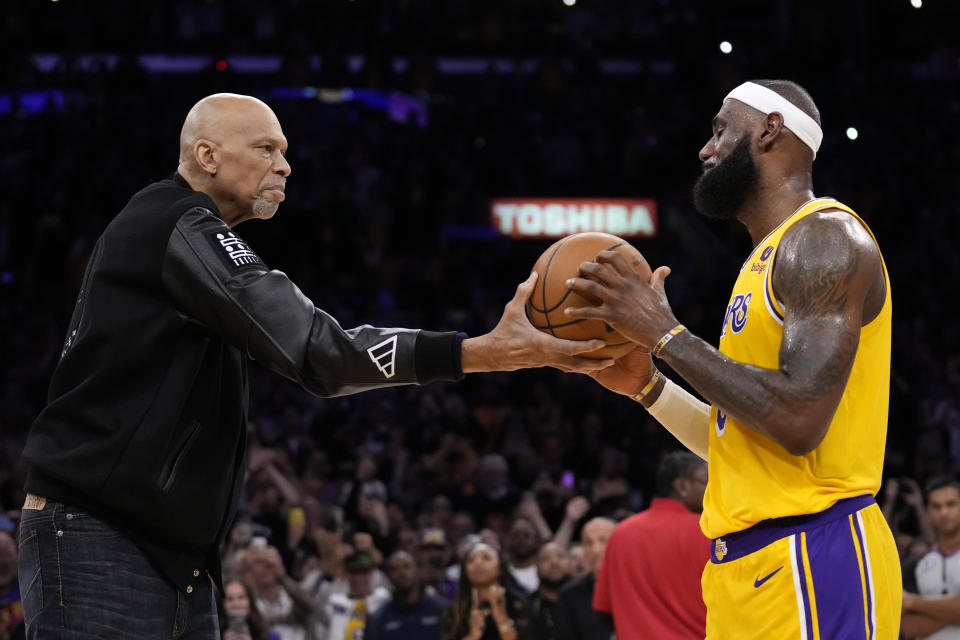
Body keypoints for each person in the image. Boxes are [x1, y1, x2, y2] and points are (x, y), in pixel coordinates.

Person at [15, 93, 610, 637]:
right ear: (207, 155)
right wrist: (478, 351)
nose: (285, 165)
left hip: (159, 552)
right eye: (267, 149)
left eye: (285, 152)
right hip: (101, 537)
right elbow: (321, 353)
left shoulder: (176, 233)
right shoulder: (179, 222)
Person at [567, 79, 901, 637]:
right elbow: (742, 444)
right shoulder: (762, 261)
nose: (705, 149)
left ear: (770, 129)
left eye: (721, 129)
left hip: (812, 552)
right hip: (743, 569)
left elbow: (797, 419)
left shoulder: (824, 238)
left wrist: (663, 333)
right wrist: (650, 388)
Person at [593, 451, 709, 639]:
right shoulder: (709, 531)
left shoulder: (621, 533)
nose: (714, 490)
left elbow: (603, 610)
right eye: (706, 482)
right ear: (682, 486)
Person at [901, 477, 960, 639]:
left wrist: (914, 602)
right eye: (936, 506)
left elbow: (907, 604)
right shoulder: (914, 565)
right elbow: (908, 627)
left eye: (951, 504)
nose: (944, 512)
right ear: (928, 511)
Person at [439, 542, 534, 640]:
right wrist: (473, 635)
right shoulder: (454, 611)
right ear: (465, 570)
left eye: (487, 558)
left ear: (501, 567)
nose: (478, 563)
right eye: (471, 560)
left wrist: (502, 619)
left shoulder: (518, 604)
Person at [553, 517, 615, 640]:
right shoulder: (569, 595)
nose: (596, 550)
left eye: (603, 540)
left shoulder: (639, 589)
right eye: (588, 543)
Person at [367, 550, 449, 640]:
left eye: (406, 566)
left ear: (418, 570)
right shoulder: (378, 618)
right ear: (389, 577)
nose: (401, 573)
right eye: (394, 569)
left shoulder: (443, 610)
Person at [319, 550, 391, 640]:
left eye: (364, 572)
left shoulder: (383, 598)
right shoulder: (334, 601)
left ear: (372, 574)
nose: (359, 578)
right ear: (346, 574)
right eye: (355, 572)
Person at [217, 576, 282, 640]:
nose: (236, 604)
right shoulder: (212, 634)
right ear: (221, 604)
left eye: (241, 597)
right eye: (229, 599)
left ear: (250, 601)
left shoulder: (270, 636)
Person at [529, 541, 570, 640]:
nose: (554, 562)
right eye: (545, 558)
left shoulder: (587, 600)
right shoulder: (528, 606)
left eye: (560, 556)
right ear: (536, 566)